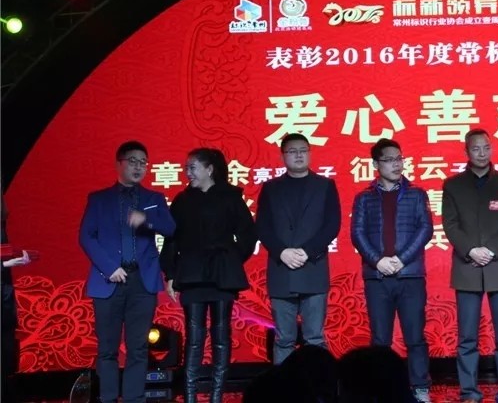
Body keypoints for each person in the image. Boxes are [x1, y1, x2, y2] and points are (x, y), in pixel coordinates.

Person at [78, 141, 176, 403]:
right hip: (108, 280)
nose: (138, 167)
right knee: (107, 349)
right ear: (119, 163)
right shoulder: (99, 199)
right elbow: (86, 237)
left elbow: (170, 228)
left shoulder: (153, 199)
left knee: (138, 347)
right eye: (133, 161)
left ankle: (134, 398)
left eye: (143, 163)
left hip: (142, 281)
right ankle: (108, 398)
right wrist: (110, 268)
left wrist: (147, 220)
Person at [160, 148, 257, 403]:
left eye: (192, 167)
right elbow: (171, 239)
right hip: (192, 274)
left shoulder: (230, 197)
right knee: (194, 338)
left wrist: (231, 259)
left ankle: (216, 397)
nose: (188, 173)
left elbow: (248, 233)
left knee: (221, 337)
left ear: (209, 169)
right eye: (186, 168)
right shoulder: (183, 200)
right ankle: (190, 396)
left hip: (221, 275)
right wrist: (170, 273)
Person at [350, 138, 433, 403]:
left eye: (399, 159)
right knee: (380, 340)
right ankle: (381, 390)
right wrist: (378, 261)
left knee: (415, 337)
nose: (396, 164)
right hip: (377, 278)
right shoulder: (364, 198)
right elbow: (357, 233)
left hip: (410, 276)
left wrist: (400, 259)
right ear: (376, 164)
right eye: (389, 160)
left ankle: (420, 387)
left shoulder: (417, 194)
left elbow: (425, 229)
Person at [442, 129, 498, 402]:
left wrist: (490, 250)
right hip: (467, 268)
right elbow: (450, 224)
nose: (482, 153)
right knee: (467, 338)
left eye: (486, 147)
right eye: (476, 148)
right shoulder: (453, 185)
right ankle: (469, 391)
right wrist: (471, 251)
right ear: (466, 151)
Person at [257, 133, 342, 363]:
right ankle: (284, 384)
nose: (299, 155)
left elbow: (332, 225)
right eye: (292, 151)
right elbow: (263, 226)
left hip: (313, 268)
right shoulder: (271, 188)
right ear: (283, 156)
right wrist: (282, 252)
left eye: (303, 150)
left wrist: (307, 251)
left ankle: (318, 384)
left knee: (314, 338)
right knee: (284, 338)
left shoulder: (325, 185)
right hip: (282, 270)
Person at [1, 197, 31, 400]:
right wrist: (5, 264)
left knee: (7, 357)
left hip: (5, 302)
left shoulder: (2, 226)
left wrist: (17, 257)